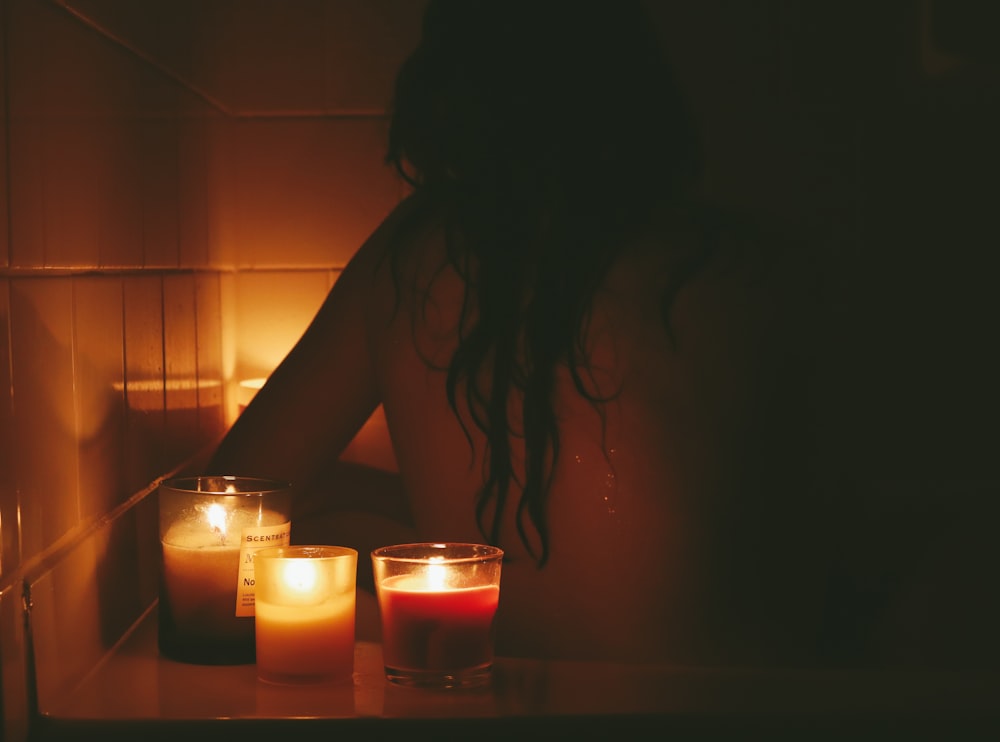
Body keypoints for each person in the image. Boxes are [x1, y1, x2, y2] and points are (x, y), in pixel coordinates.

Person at [206, 0, 822, 666]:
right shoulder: (735, 266)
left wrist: (404, 510)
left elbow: (230, 501)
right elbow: (823, 547)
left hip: (497, 707)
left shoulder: (410, 261)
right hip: (722, 712)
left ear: (451, 89)